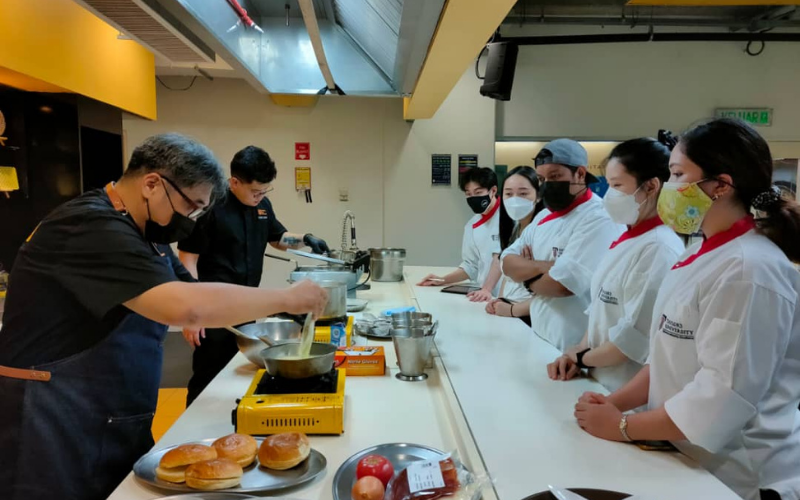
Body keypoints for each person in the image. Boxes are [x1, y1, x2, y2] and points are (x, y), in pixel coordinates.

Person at [0, 134, 327, 500]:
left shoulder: (145, 236)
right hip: (53, 420)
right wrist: (287, 298)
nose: (189, 220)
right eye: (190, 207)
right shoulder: (89, 226)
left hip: (111, 414)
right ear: (153, 183)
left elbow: (190, 289)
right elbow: (186, 305)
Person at [574, 119, 800, 500]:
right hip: (686, 453)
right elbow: (668, 356)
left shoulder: (750, 269)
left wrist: (623, 426)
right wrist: (613, 404)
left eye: (678, 175)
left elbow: (721, 396)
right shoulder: (702, 252)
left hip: (740, 475)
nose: (669, 187)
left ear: (721, 185)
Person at [178, 145, 330, 405]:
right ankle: (190, 430)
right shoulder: (211, 207)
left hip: (247, 306)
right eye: (255, 191)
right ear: (234, 182)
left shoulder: (262, 206)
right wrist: (191, 313)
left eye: (265, 190)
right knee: (208, 373)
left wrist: (305, 239)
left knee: (239, 373)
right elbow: (187, 258)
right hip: (213, 310)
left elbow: (278, 238)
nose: (260, 196)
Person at [547, 136, 684, 392]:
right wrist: (577, 351)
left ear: (651, 186)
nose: (609, 195)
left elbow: (630, 342)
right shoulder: (628, 238)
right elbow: (601, 309)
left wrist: (580, 357)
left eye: (617, 185)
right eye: (608, 184)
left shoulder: (658, 248)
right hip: (599, 379)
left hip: (624, 389)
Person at [501, 139, 624, 351]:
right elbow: (507, 263)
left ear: (580, 174)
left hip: (576, 347)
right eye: (541, 178)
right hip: (540, 335)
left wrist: (526, 277)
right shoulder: (543, 217)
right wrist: (546, 267)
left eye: (555, 176)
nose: (547, 184)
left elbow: (562, 286)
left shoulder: (598, 218)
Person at [418, 167, 503, 302]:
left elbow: (500, 258)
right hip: (484, 297)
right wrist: (442, 280)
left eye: (478, 192)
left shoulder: (509, 218)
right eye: (468, 194)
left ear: (493, 191)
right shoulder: (472, 225)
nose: (472, 198)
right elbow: (471, 266)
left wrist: (487, 289)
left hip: (508, 296)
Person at [485, 166, 544, 323]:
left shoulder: (542, 232)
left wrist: (511, 310)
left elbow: (546, 294)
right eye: (509, 194)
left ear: (538, 196)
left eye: (523, 193)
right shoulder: (514, 228)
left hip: (530, 316)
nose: (515, 200)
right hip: (510, 312)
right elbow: (507, 274)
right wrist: (500, 300)